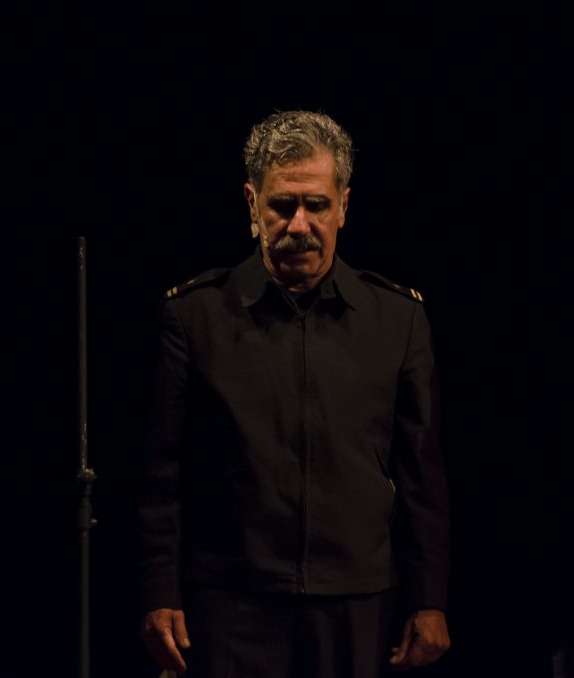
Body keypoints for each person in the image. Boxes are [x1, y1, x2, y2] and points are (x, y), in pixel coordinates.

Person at [138, 110, 450, 678]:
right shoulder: (194, 316)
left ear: (344, 206)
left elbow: (421, 476)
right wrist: (160, 590)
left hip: (358, 604)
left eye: (317, 205)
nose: (299, 224)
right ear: (252, 204)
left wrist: (429, 599)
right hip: (231, 603)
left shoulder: (397, 319)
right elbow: (163, 473)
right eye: (283, 205)